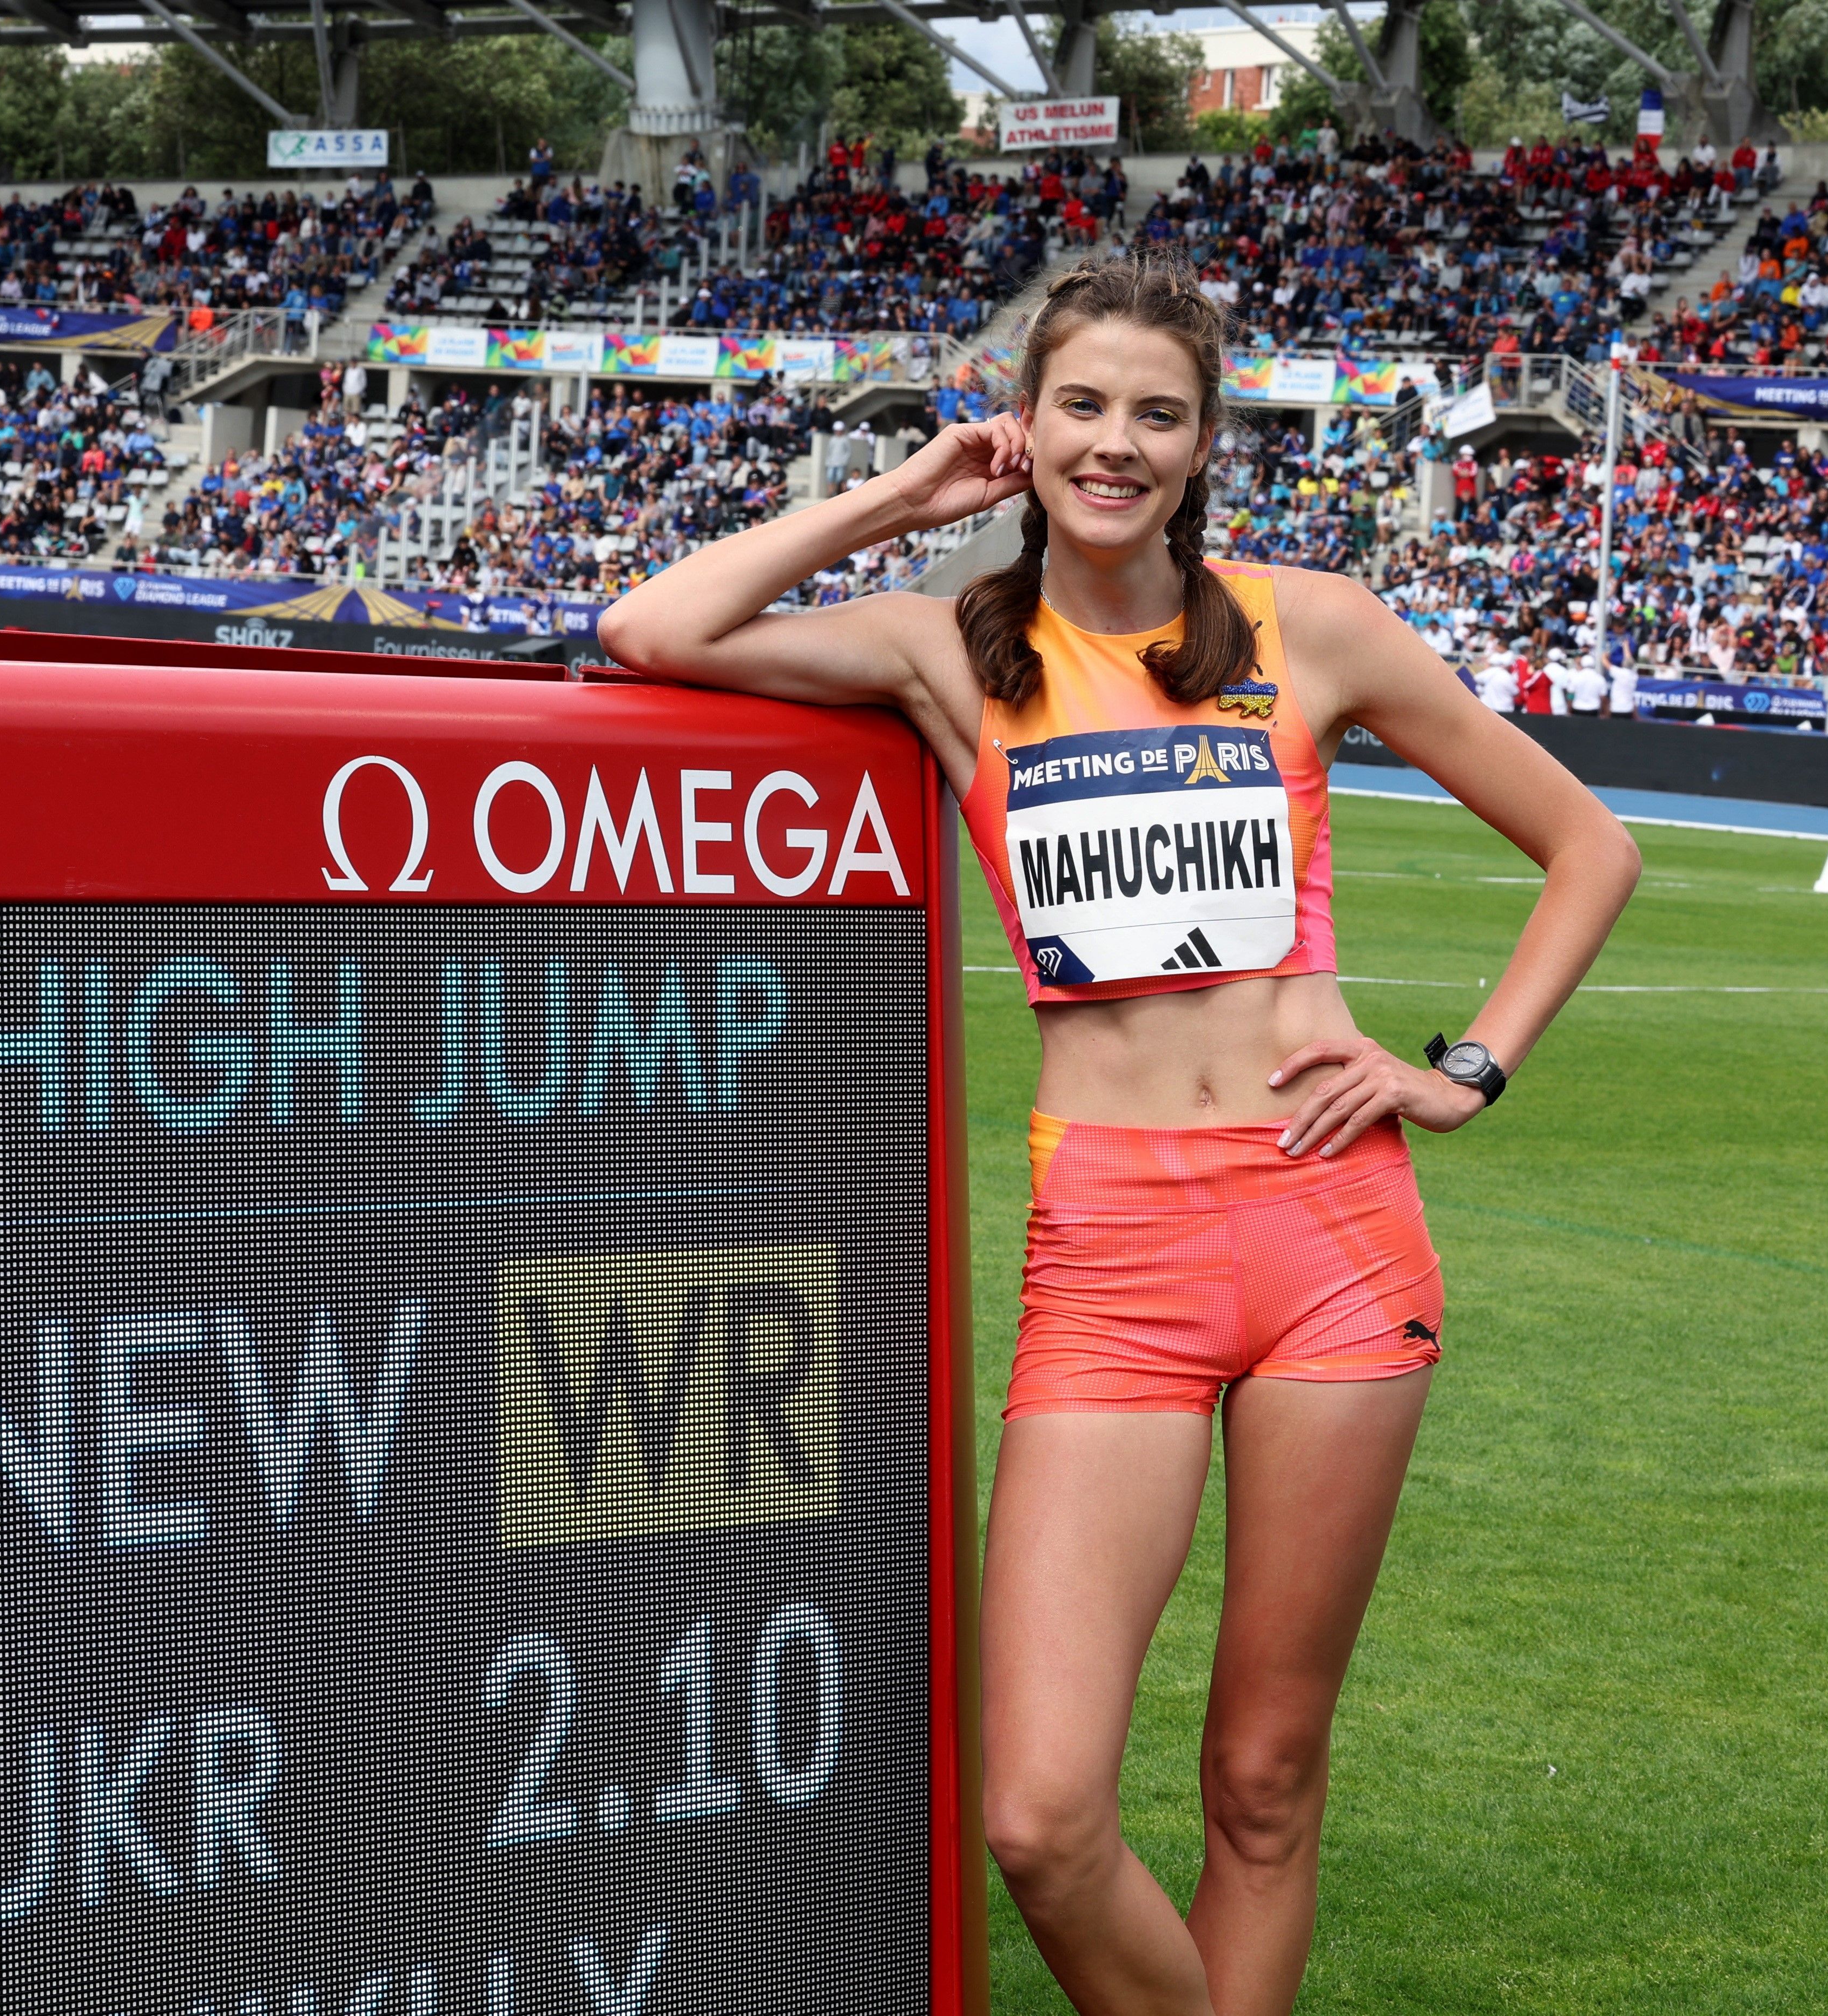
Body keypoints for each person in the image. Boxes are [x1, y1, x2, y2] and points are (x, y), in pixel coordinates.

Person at [599, 251, 1638, 2016]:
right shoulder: (947, 646)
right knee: (1038, 1811)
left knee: (1259, 1776)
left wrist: (1460, 1064)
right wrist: (899, 495)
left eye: (1155, 412)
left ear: (1201, 441)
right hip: (1109, 1257)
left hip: (1327, 1236)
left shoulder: (1308, 628)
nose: (1114, 443)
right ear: (1027, 421)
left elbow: (1587, 847)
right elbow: (653, 630)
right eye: (1079, 403)